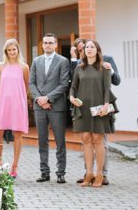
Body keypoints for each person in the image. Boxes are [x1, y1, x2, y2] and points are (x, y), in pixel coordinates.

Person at [71, 37, 120, 185]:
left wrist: (106, 105)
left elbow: (107, 88)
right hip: (82, 108)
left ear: (97, 50)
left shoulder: (104, 67)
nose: (89, 49)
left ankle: (100, 174)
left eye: (92, 47)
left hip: (99, 108)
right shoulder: (79, 68)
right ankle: (89, 174)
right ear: (83, 51)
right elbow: (73, 86)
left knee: (98, 140)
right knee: (86, 139)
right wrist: (72, 97)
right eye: (87, 48)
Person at [30, 33, 71, 183]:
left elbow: (64, 84)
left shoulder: (63, 61)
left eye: (50, 43)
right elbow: (31, 83)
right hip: (39, 107)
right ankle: (44, 172)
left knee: (60, 141)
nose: (47, 45)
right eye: (45, 43)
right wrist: (40, 99)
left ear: (55, 44)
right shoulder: (36, 61)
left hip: (56, 106)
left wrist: (48, 98)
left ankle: (60, 173)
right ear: (42, 45)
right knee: (42, 140)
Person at [0, 39, 30, 177]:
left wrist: (19, 100)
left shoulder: (24, 67)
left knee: (18, 134)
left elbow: (25, 86)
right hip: (4, 102)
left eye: (14, 49)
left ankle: (14, 165)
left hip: (18, 103)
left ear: (18, 50)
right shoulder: (0, 67)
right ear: (6, 52)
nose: (12, 52)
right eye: (9, 50)